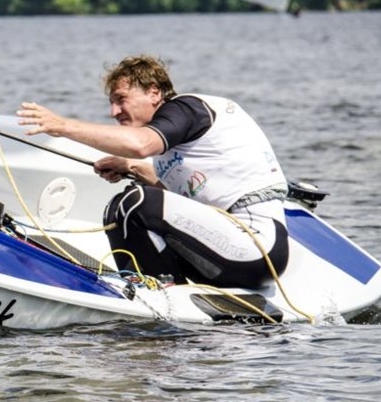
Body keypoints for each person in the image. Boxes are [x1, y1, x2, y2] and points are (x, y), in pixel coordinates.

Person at [16, 54, 289, 288]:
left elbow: (141, 145)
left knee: (135, 202)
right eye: (111, 103)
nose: (114, 111)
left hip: (257, 248)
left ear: (154, 93)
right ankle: (155, 288)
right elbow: (179, 201)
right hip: (221, 246)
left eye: (121, 99)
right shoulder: (170, 148)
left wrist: (63, 126)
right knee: (121, 205)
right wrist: (131, 167)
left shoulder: (186, 109)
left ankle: (156, 291)